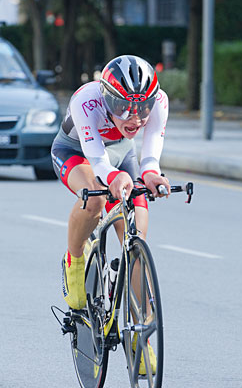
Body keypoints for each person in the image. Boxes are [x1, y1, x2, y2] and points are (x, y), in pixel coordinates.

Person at [51, 55, 170, 374]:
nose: (134, 117)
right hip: (77, 153)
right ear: (106, 99)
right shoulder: (86, 100)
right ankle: (74, 261)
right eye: (122, 108)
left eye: (142, 108)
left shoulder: (159, 100)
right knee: (94, 199)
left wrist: (152, 175)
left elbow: (149, 154)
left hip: (122, 156)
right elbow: (98, 160)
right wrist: (112, 177)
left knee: (136, 235)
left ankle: (139, 334)